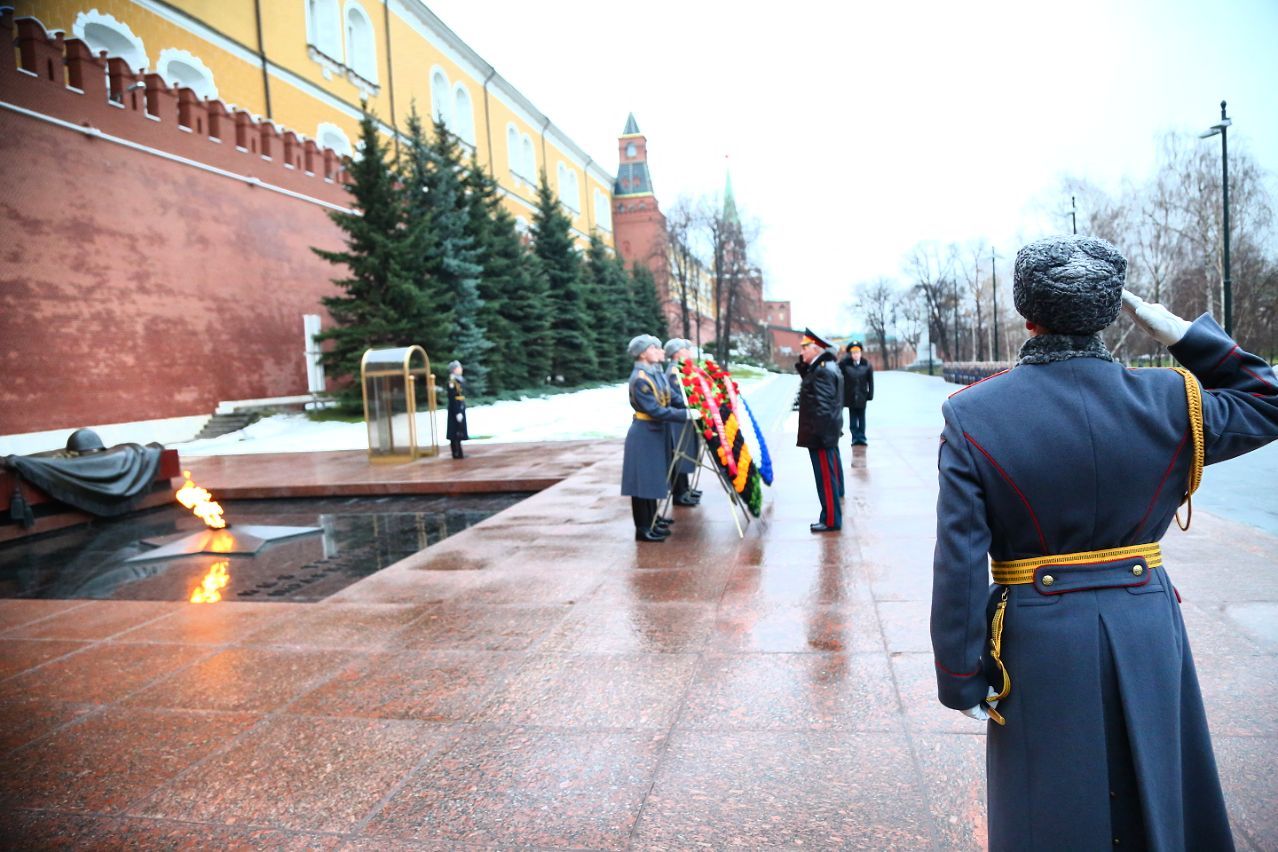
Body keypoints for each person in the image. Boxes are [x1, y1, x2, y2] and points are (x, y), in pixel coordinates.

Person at [930, 234, 1278, 850]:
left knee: (1048, 810)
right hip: (1145, 620)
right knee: (1158, 796)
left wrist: (961, 675)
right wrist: (1183, 336)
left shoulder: (973, 415)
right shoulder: (1175, 399)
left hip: (1036, 636)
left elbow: (959, 562)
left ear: (1026, 313)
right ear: (1112, 310)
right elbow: (1266, 400)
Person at [621, 335, 702, 542]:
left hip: (657, 432)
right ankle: (643, 528)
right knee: (641, 483)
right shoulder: (640, 378)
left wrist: (692, 404)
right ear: (642, 353)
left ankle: (653, 520)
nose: (661, 351)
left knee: (654, 479)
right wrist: (684, 414)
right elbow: (656, 410)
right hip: (645, 434)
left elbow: (672, 398)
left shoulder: (655, 373)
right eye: (655, 348)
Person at [796, 328, 844, 532]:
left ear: (815, 349)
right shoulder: (823, 366)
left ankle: (831, 520)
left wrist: (820, 436)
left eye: (804, 349)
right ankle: (829, 516)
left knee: (825, 480)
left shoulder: (823, 370)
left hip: (821, 436)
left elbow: (823, 407)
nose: (801, 353)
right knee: (827, 479)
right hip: (824, 434)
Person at [664, 338, 702, 507]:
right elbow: (677, 396)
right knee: (680, 455)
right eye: (685, 350)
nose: (688, 352)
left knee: (685, 453)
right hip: (679, 418)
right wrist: (690, 404)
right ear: (677, 352)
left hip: (684, 415)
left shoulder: (679, 368)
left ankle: (685, 489)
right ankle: (679, 493)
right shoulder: (673, 371)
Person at [838, 340, 874, 445]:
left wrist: (870, 394)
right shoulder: (846, 365)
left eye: (857, 352)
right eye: (853, 353)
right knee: (853, 420)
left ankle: (862, 437)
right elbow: (838, 368)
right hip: (850, 396)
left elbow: (870, 381)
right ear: (850, 354)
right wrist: (845, 359)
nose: (855, 355)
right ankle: (855, 437)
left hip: (862, 396)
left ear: (860, 353)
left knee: (862, 418)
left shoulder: (866, 365)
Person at [446, 360, 467, 459]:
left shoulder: (458, 380)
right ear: (454, 369)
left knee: (459, 430)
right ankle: (456, 452)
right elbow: (453, 397)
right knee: (455, 431)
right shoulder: (452, 381)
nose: (461, 369)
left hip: (460, 407)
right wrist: (457, 411)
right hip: (455, 409)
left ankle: (459, 452)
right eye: (459, 367)